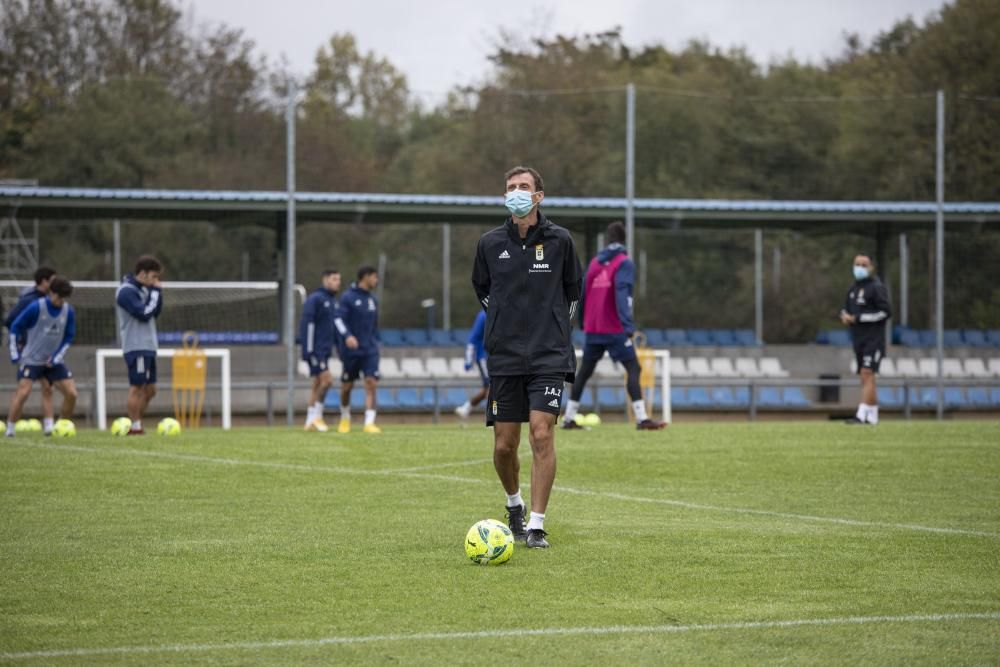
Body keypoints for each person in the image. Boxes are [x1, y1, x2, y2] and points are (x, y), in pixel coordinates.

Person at [472, 165, 583, 549]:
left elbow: (572, 292)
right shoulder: (488, 244)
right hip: (504, 357)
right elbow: (483, 291)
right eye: (510, 188)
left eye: (523, 187)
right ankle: (514, 505)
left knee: (541, 433)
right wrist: (504, 323)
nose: (516, 193)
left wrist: (551, 331)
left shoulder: (561, 241)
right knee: (504, 446)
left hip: (548, 355)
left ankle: (536, 525)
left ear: (538, 196)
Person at [562, 221, 666, 431]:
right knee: (633, 367)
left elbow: (581, 293)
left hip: (594, 329)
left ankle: (569, 418)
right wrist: (628, 325)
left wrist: (583, 321)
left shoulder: (594, 263)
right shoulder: (624, 262)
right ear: (624, 239)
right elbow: (622, 292)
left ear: (608, 240)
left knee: (584, 372)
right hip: (614, 328)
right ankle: (641, 418)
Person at [6, 276, 77, 436]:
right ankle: (10, 428)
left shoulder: (68, 311)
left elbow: (69, 337)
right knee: (23, 392)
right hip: (31, 359)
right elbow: (15, 327)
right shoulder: (36, 307)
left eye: (64, 298)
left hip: (53, 361)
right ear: (51, 293)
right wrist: (15, 353)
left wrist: (57, 357)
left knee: (71, 393)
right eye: (59, 297)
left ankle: (59, 426)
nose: (61, 301)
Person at [840, 253, 892, 425]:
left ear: (871, 268)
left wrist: (859, 318)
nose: (859, 268)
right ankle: (873, 415)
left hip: (873, 339)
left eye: (863, 265)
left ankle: (861, 415)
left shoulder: (876, 287)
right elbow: (846, 311)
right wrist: (845, 317)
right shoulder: (853, 289)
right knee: (865, 377)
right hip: (858, 339)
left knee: (867, 373)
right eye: (857, 264)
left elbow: (885, 312)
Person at [3, 267, 58, 431]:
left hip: (45, 352)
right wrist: (22, 339)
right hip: (29, 352)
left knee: (48, 388)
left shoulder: (52, 300)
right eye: (52, 280)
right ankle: (10, 427)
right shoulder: (29, 301)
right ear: (44, 281)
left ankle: (49, 428)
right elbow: (10, 321)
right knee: (24, 390)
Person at [115, 255, 164, 435]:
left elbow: (155, 312)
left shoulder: (146, 289)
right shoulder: (126, 291)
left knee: (151, 390)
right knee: (137, 387)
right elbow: (143, 313)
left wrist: (158, 294)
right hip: (136, 346)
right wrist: (156, 293)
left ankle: (135, 422)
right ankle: (135, 426)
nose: (155, 281)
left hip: (149, 346)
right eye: (153, 276)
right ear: (142, 274)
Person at [334, 266, 382, 434]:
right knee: (347, 386)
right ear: (365, 277)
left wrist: (376, 342)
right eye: (374, 277)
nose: (376, 280)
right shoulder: (348, 297)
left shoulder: (373, 300)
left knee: (371, 383)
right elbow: (338, 320)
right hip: (351, 351)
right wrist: (347, 336)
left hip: (370, 350)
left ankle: (369, 422)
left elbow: (375, 326)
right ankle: (345, 417)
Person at [300, 269, 342, 432]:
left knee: (317, 383)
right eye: (334, 279)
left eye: (338, 279)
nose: (337, 282)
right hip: (315, 350)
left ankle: (310, 419)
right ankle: (317, 416)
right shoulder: (315, 299)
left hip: (325, 350)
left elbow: (334, 328)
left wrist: (338, 346)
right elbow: (308, 325)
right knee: (327, 381)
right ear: (325, 280)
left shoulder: (333, 301)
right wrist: (308, 349)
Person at [454, 310, 489, 419]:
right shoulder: (483, 315)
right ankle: (492, 417)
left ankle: (466, 408)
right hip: (484, 357)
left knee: (488, 388)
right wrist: (469, 360)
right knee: (492, 387)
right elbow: (473, 337)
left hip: (496, 356)